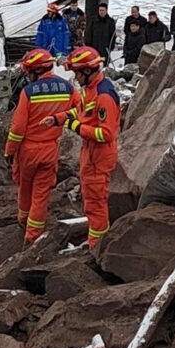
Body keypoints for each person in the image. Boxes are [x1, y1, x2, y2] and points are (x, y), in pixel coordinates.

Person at [49, 46, 120, 249]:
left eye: (77, 73)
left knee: (96, 202)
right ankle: (95, 241)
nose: (75, 77)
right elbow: (79, 111)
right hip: (91, 153)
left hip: (99, 156)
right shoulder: (90, 90)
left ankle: (97, 246)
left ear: (87, 71)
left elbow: (106, 134)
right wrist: (58, 119)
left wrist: (77, 128)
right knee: (90, 200)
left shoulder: (104, 95)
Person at [5, 49, 79, 243]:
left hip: (28, 150)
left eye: (28, 72)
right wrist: (62, 119)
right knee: (41, 193)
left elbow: (18, 128)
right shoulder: (67, 88)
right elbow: (81, 109)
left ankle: (23, 220)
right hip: (50, 148)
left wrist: (9, 151)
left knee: (25, 187)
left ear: (35, 71)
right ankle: (33, 236)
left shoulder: (28, 92)